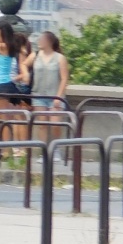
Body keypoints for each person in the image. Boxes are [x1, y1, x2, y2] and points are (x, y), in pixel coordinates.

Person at [0, 20, 29, 154]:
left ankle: (5, 151)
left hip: (2, 84)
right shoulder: (9, 46)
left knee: (3, 118)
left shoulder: (2, 46)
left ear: (1, 32)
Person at [27, 31, 71, 161]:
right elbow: (24, 64)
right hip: (38, 94)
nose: (39, 42)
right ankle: (44, 151)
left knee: (55, 124)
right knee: (42, 124)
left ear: (49, 42)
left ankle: (56, 149)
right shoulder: (35, 55)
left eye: (42, 40)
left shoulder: (59, 58)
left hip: (54, 96)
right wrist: (24, 74)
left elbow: (64, 78)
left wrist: (59, 96)